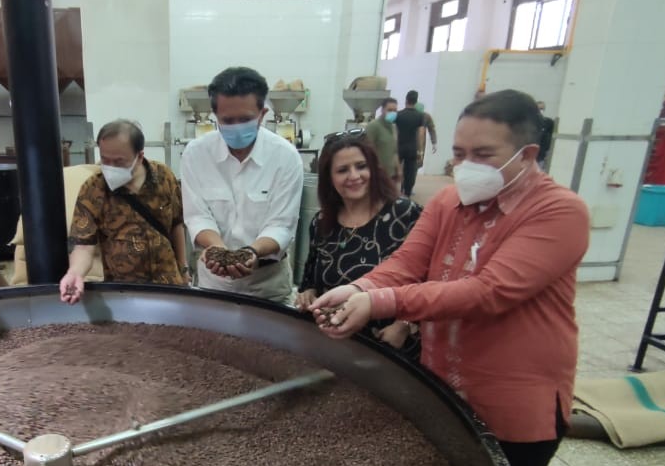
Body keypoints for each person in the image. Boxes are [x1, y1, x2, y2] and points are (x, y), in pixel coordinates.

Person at [309, 90, 590, 466]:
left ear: (526, 155)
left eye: (483, 154)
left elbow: (489, 292)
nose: (466, 165)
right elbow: (407, 263)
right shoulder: (448, 200)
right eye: (459, 153)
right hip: (442, 390)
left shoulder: (558, 211)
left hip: (512, 401)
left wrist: (378, 303)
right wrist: (359, 288)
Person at [182, 66, 304, 304]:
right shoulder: (195, 154)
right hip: (214, 283)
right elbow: (197, 217)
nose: (237, 126)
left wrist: (251, 252)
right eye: (227, 120)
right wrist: (219, 251)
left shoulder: (285, 157)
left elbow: (281, 225)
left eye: (246, 119)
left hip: (267, 285)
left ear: (262, 113)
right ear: (214, 116)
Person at [297, 133, 423, 358]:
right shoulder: (322, 223)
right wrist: (308, 294)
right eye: (343, 170)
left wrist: (404, 325)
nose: (354, 176)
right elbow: (309, 280)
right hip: (337, 346)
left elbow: (430, 279)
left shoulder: (404, 215)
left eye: (361, 166)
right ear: (329, 177)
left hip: (391, 346)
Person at [60, 120, 188, 304]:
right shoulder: (93, 189)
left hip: (169, 286)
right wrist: (75, 273)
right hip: (124, 294)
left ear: (140, 156)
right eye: (105, 160)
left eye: (119, 161)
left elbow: (177, 224)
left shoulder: (164, 177)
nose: (110, 167)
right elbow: (83, 245)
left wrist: (183, 270)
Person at [395, 90, 429, 198]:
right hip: (412, 147)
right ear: (416, 101)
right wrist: (420, 150)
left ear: (406, 100)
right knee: (410, 172)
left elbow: (394, 131)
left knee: (395, 169)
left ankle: (394, 191)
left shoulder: (398, 115)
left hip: (399, 146)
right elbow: (420, 134)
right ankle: (407, 193)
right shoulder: (420, 116)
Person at [365, 98, 401, 189]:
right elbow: (367, 150)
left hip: (391, 174)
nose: (392, 113)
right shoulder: (373, 126)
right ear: (382, 110)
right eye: (389, 110)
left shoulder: (393, 128)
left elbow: (394, 151)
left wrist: (399, 169)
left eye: (395, 110)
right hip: (377, 175)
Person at [536, 101, 556, 169]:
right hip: (529, 156)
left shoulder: (548, 122)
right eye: (539, 109)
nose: (540, 111)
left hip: (541, 156)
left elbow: (551, 138)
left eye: (542, 109)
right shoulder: (529, 122)